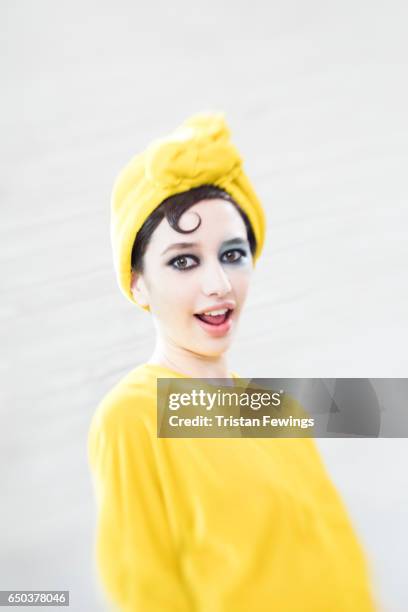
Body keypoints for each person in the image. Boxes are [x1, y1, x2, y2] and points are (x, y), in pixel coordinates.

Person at [88, 113, 377, 611]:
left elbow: (339, 563)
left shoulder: (278, 410)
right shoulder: (133, 416)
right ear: (137, 282)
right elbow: (144, 589)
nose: (218, 284)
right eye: (183, 260)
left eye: (233, 254)